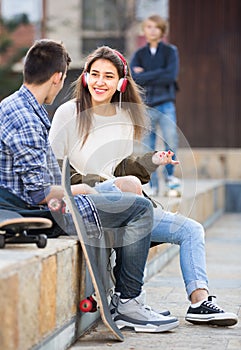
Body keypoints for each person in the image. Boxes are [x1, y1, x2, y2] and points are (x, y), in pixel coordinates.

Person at [49, 45, 238, 327]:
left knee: (191, 230)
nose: (100, 82)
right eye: (95, 74)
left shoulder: (126, 118)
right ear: (85, 76)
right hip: (83, 200)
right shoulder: (68, 113)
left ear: (121, 83)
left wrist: (150, 161)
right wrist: (104, 184)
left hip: (120, 198)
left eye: (108, 76)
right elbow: (54, 169)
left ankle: (200, 302)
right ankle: (129, 301)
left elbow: (118, 169)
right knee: (132, 190)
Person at [0, 39, 179, 333]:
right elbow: (40, 194)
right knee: (139, 209)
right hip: (40, 211)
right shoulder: (26, 118)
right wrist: (90, 191)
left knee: (126, 196)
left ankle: (126, 298)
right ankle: (129, 304)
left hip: (32, 203)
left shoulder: (19, 106)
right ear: (58, 77)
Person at [130, 14, 180, 196]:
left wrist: (147, 74)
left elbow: (170, 76)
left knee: (171, 141)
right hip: (146, 106)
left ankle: (171, 179)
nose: (152, 30)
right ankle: (150, 183)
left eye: (156, 27)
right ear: (144, 29)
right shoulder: (139, 54)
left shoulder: (170, 52)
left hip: (166, 104)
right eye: (148, 26)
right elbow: (134, 78)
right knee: (147, 147)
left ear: (162, 31)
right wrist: (158, 73)